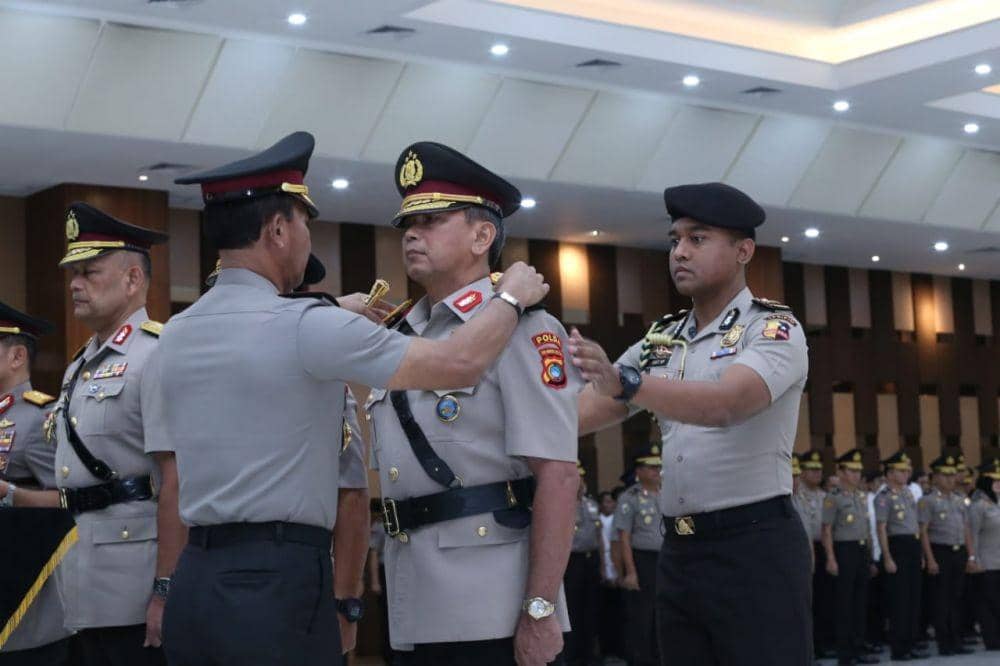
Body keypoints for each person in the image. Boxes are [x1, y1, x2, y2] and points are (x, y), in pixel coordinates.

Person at [157, 132, 550, 666]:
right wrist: (510, 297)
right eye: (305, 223)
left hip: (195, 579)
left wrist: (327, 311)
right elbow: (459, 363)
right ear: (278, 231)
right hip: (274, 585)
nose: (308, 239)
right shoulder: (308, 327)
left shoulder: (178, 331)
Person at [572, 181, 811, 665]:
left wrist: (627, 382)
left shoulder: (772, 329)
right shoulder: (662, 339)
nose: (679, 252)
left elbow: (726, 405)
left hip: (754, 546)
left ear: (744, 251)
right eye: (675, 239)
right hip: (679, 551)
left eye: (697, 239)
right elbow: (581, 412)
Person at [366, 141, 580, 666]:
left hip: (491, 603)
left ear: (483, 236)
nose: (411, 234)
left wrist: (540, 608)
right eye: (407, 224)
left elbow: (557, 475)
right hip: (412, 595)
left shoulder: (524, 328)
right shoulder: (399, 333)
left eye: (432, 220)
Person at [16, 202, 184, 666]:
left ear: (132, 279)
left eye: (89, 272)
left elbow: (176, 481)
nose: (74, 284)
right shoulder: (79, 365)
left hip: (132, 590)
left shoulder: (157, 354)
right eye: (74, 273)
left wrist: (166, 588)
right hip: (77, 585)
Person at [0, 302, 74, 664]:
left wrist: (10, 494)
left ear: (17, 357)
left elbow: (69, 500)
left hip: (24, 587)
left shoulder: (39, 418)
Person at [821, 449, 877, 666]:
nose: (856, 475)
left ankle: (858, 647)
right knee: (845, 604)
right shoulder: (833, 498)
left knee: (860, 603)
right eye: (851, 471)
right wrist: (830, 558)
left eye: (858, 471)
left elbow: (866, 530)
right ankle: (845, 653)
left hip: (861, 551)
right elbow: (826, 530)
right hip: (844, 551)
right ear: (841, 472)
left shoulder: (860, 496)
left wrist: (870, 559)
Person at [918, 454, 975, 656]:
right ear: (935, 478)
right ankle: (945, 643)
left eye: (952, 475)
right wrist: (930, 559)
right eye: (945, 475)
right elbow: (923, 531)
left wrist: (971, 556)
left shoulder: (960, 500)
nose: (951, 479)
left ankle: (956, 640)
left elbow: (966, 528)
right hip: (940, 551)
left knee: (957, 598)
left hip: (959, 552)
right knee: (941, 600)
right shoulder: (928, 501)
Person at [612, 447, 663, 666]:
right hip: (642, 560)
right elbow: (624, 538)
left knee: (663, 612)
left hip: (666, 559)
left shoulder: (667, 493)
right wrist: (630, 572)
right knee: (642, 615)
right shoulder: (629, 498)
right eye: (651, 467)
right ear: (639, 471)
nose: (656, 471)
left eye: (658, 467)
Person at [873, 452, 926, 661]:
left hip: (912, 546)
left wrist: (921, 553)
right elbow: (881, 528)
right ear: (890, 473)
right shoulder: (883, 497)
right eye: (901, 471)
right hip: (898, 547)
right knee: (900, 601)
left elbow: (915, 525)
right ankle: (899, 647)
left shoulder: (908, 493)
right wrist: (887, 556)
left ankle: (911, 643)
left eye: (907, 471)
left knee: (914, 599)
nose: (906, 474)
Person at [796, 449, 833, 658]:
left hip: (823, 547)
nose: (817, 473)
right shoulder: (797, 494)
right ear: (802, 471)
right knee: (811, 600)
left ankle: (824, 642)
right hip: (806, 549)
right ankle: (812, 647)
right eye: (812, 469)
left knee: (825, 599)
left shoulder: (823, 495)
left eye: (819, 469)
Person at [564, 462, 601, 666]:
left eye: (582, 478)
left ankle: (589, 654)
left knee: (591, 607)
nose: (580, 482)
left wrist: (604, 564)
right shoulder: (562, 504)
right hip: (571, 561)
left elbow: (599, 535)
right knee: (572, 609)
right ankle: (571, 654)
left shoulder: (590, 504)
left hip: (591, 559)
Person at [968, 458, 1000, 650]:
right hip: (986, 562)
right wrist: (973, 559)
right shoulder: (978, 505)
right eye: (994, 480)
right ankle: (992, 639)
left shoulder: (997, 502)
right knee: (989, 602)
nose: (998, 483)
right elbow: (972, 535)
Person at [595, 491, 623, 661]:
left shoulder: (618, 520)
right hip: (603, 564)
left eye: (611, 501)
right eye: (606, 502)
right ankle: (605, 650)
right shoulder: (597, 519)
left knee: (619, 612)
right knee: (603, 612)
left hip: (616, 566)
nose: (610, 505)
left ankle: (620, 649)